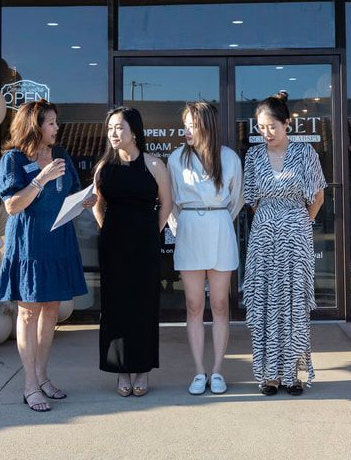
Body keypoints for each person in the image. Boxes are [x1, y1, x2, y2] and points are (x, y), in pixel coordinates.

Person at [0, 100, 96, 413]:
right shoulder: (13, 159)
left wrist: (86, 200)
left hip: (58, 241)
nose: (56, 128)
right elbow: (12, 206)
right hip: (29, 243)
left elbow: (71, 193)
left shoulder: (61, 154)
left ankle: (42, 376)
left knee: (52, 308)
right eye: (51, 123)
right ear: (34, 126)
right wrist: (41, 178)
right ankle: (29, 385)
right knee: (29, 312)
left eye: (55, 122)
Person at [243, 91, 326, 396]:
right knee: (266, 301)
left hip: (296, 237)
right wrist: (272, 221)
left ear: (287, 124)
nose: (266, 133)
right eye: (261, 128)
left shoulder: (305, 154)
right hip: (264, 239)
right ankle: (269, 375)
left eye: (272, 127)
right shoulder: (253, 156)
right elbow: (252, 200)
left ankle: (291, 374)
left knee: (293, 304)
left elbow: (318, 197)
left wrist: (301, 222)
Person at [92, 107, 172, 397]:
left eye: (119, 127)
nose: (113, 133)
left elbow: (167, 203)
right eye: (110, 128)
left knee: (144, 305)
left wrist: (151, 232)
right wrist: (109, 231)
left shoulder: (154, 164)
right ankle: (121, 370)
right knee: (116, 306)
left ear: (134, 131)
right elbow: (98, 205)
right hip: (113, 244)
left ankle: (142, 369)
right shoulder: (104, 166)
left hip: (145, 243)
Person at [168, 101, 243, 395]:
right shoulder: (176, 158)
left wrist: (218, 218)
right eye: (185, 125)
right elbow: (172, 201)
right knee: (194, 304)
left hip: (220, 228)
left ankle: (218, 370)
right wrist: (183, 227)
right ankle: (199, 371)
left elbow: (237, 199)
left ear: (207, 126)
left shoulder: (229, 158)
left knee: (220, 304)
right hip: (189, 231)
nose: (186, 131)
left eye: (192, 125)